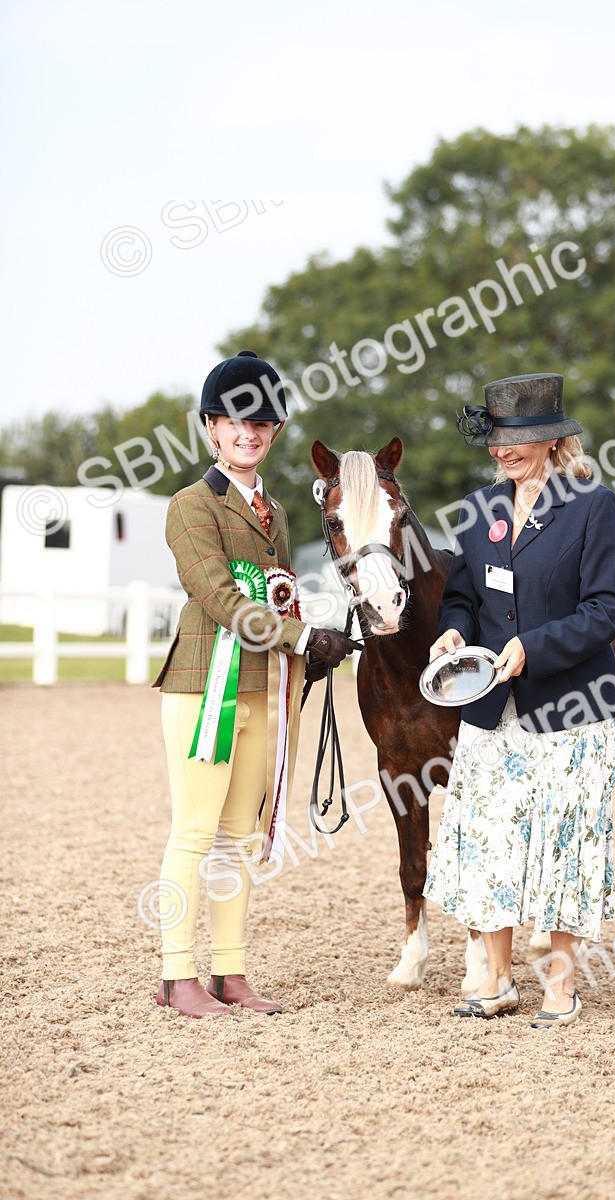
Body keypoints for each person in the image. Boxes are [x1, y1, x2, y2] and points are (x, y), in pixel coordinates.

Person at [152, 350, 358, 1018]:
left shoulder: (275, 512)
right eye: (236, 421)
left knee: (240, 834)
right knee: (194, 831)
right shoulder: (191, 506)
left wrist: (310, 649)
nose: (250, 433)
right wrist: (300, 637)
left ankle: (230, 973)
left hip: (264, 688)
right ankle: (178, 975)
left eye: (263, 423)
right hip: (204, 688)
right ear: (212, 427)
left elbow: (278, 596)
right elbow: (218, 596)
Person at [424, 373, 615, 1028]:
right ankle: (496, 978)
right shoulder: (480, 508)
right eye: (496, 437)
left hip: (570, 708)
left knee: (562, 842)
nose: (502, 449)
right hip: (490, 708)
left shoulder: (592, 505)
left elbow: (607, 611)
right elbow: (462, 596)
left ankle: (562, 982)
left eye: (516, 437)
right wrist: (453, 628)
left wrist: (533, 648)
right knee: (488, 839)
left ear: (550, 440)